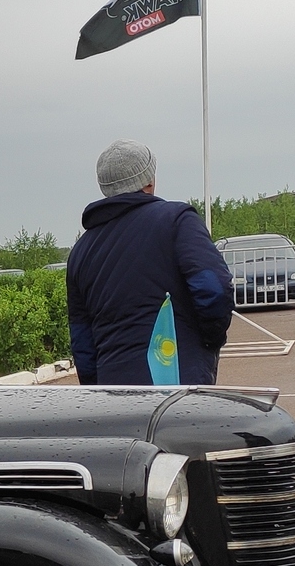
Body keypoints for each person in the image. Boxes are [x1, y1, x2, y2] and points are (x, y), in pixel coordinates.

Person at [65, 139, 233, 384]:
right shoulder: (177, 221)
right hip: (176, 381)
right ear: (149, 181)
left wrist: (96, 388)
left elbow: (81, 336)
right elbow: (214, 288)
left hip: (112, 392)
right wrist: (209, 340)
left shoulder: (81, 251)